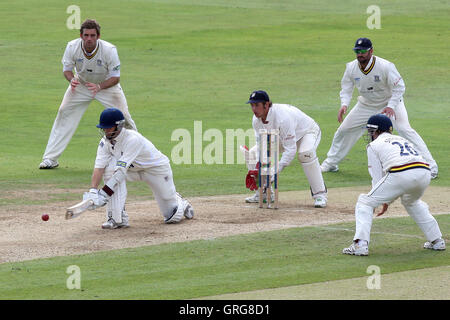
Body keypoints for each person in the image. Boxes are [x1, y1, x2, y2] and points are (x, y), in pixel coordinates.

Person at [320, 37, 438, 179]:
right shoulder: (351, 67)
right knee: (343, 130)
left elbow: (399, 87)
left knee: (405, 130)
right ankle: (331, 163)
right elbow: (346, 87)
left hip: (390, 103)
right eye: (357, 51)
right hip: (366, 104)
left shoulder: (385, 66)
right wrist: (344, 104)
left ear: (371, 51)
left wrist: (391, 106)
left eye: (363, 51)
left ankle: (430, 167)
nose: (360, 54)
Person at [39, 19, 137, 169]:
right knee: (63, 111)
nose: (89, 39)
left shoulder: (109, 50)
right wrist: (71, 80)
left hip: (106, 85)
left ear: (98, 36)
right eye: (86, 35)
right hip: (81, 85)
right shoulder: (72, 47)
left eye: (92, 35)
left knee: (123, 117)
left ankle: (136, 156)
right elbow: (67, 70)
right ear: (81, 36)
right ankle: (50, 159)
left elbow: (116, 78)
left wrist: (99, 87)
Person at [342, 114, 445, 256]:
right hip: (424, 173)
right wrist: (384, 198)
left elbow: (377, 177)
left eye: (372, 131)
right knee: (412, 202)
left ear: (378, 131)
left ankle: (360, 244)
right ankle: (437, 240)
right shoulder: (401, 139)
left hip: (402, 172)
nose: (370, 134)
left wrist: (382, 200)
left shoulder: (373, 145)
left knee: (365, 202)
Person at [83, 108, 194, 229]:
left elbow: (120, 172)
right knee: (109, 168)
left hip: (155, 170)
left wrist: (104, 195)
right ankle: (117, 218)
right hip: (132, 170)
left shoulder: (132, 139)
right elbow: (99, 168)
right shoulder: (105, 143)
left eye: (109, 128)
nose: (106, 131)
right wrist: (93, 191)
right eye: (104, 128)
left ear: (119, 126)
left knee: (172, 217)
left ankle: (180, 203)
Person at [243, 90, 328, 208]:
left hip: (306, 132)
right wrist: (259, 167)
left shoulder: (282, 118)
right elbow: (262, 145)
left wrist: (275, 171)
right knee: (252, 153)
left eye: (257, 105)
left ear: (266, 104)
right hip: (281, 138)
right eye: (252, 105)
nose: (254, 109)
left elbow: (291, 149)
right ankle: (264, 193)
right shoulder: (256, 120)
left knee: (305, 154)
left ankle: (320, 195)